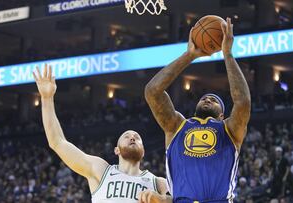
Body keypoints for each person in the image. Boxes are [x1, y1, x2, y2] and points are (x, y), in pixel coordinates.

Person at [144, 17, 251, 202]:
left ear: (221, 115)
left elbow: (243, 102)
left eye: (214, 100)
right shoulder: (176, 125)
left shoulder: (230, 130)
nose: (208, 99)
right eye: (204, 98)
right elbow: (153, 91)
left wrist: (228, 54)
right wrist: (190, 55)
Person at [33, 65, 170, 203]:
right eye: (126, 136)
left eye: (137, 137)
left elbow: (188, 198)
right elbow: (57, 142)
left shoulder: (158, 184)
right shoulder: (101, 170)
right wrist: (46, 98)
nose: (132, 137)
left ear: (143, 151)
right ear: (116, 150)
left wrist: (163, 200)